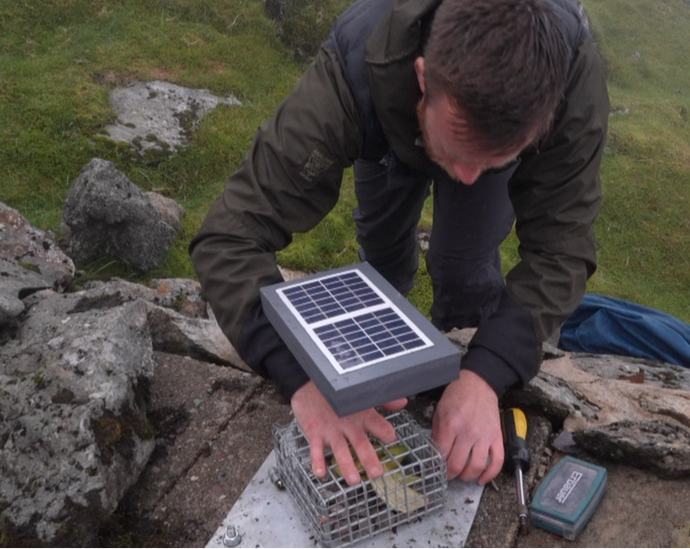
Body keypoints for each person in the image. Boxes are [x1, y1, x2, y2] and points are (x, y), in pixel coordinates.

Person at [190, 0, 610, 488]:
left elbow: (562, 248)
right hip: (389, 122)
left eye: (497, 156)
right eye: (458, 149)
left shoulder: (571, 77)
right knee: (382, 244)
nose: (468, 177)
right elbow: (229, 233)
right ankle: (382, 343)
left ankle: (452, 368)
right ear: (423, 75)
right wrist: (307, 381)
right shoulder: (356, 66)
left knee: (464, 265)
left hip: (457, 117)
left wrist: (484, 375)